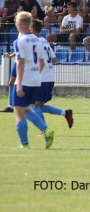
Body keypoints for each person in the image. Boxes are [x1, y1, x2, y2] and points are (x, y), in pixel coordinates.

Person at [11, 11, 54, 149]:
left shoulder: (19, 41)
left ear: (18, 24)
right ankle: (46, 130)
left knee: (18, 111)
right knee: (27, 110)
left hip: (25, 80)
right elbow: (41, 61)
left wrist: (19, 85)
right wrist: (37, 75)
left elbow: (21, 62)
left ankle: (24, 144)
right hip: (36, 80)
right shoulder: (38, 40)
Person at [31, 20, 74, 130]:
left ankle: (44, 130)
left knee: (34, 106)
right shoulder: (44, 41)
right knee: (39, 106)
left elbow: (41, 61)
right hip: (49, 77)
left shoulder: (35, 42)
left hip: (42, 78)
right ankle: (65, 113)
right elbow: (54, 59)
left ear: (32, 29)